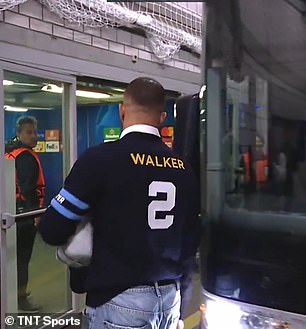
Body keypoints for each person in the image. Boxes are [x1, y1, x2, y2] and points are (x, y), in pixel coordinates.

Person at [38, 77, 200, 329]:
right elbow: (190, 244)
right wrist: (181, 311)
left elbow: (52, 229)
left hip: (118, 301)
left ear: (121, 110)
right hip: (170, 299)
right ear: (162, 117)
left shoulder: (99, 160)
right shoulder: (184, 169)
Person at [5, 116, 45, 312]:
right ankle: (21, 299)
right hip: (22, 216)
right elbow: (28, 188)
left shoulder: (10, 153)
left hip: (10, 211)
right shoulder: (26, 157)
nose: (33, 136)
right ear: (19, 134)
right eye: (29, 132)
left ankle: (13, 293)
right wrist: (36, 214)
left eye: (35, 132)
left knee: (11, 258)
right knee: (22, 259)